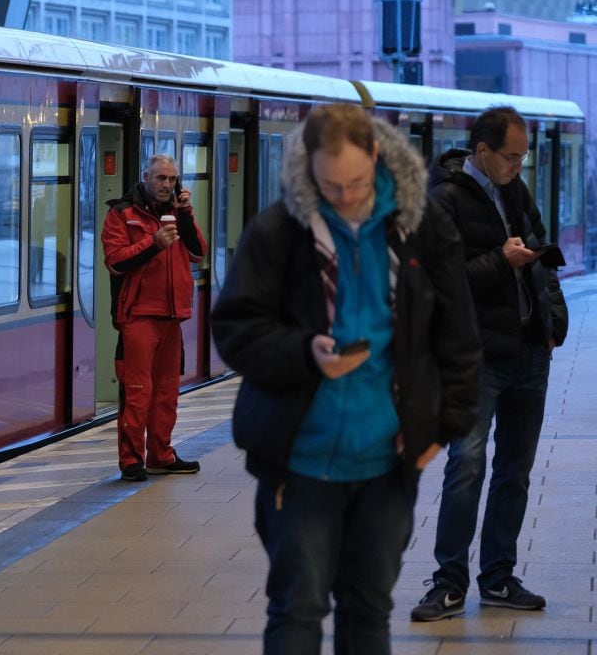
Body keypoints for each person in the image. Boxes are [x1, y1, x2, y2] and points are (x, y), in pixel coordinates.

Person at [211, 103, 481, 655]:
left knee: (367, 611)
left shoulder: (421, 227)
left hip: (387, 461)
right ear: (309, 168)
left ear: (377, 157)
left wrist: (439, 433)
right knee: (297, 609)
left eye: (357, 182)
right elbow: (236, 328)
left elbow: (459, 339)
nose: (347, 196)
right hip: (300, 462)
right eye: (330, 185)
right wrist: (305, 351)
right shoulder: (280, 229)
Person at [410, 106, 568, 621]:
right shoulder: (443, 201)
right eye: (511, 156)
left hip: (528, 354)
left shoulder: (517, 193)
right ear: (482, 151)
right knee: (467, 467)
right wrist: (500, 260)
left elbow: (544, 258)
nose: (518, 166)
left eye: (523, 157)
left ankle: (498, 577)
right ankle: (448, 582)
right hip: (475, 357)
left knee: (515, 472)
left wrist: (553, 322)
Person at [102, 153, 207, 482]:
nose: (167, 185)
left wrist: (187, 214)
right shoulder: (122, 214)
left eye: (173, 179)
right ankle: (131, 460)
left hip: (172, 317)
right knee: (137, 390)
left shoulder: (178, 214)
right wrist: (153, 243)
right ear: (146, 177)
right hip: (138, 317)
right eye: (161, 178)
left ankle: (161, 454)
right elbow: (115, 260)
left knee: (167, 391)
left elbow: (198, 252)